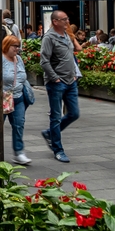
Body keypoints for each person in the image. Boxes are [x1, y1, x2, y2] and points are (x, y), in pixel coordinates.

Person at [40, 10, 79, 163]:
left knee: (74, 113)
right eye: (64, 19)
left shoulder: (66, 36)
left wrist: (74, 73)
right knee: (56, 117)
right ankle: (58, 149)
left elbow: (71, 55)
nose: (67, 21)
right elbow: (44, 61)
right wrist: (54, 78)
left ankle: (50, 133)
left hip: (71, 81)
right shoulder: (49, 38)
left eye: (67, 18)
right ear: (55, 21)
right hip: (57, 83)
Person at [2, 35, 31, 165]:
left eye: (18, 46)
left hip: (18, 97)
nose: (17, 49)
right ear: (7, 46)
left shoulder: (18, 59)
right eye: (15, 46)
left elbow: (23, 75)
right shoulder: (0, 59)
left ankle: (19, 153)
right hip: (3, 98)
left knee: (19, 125)